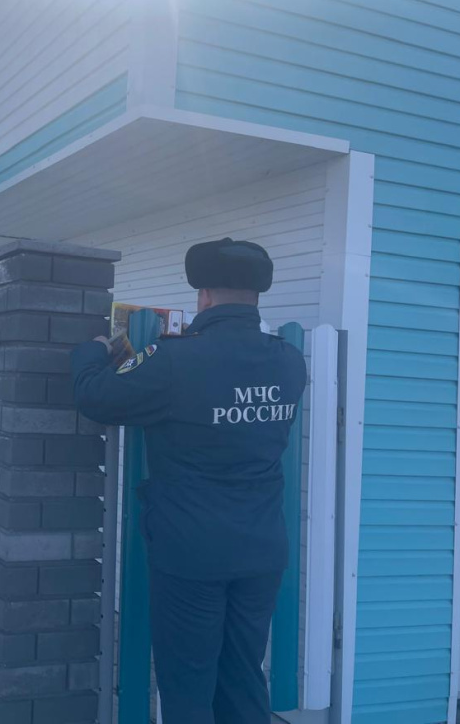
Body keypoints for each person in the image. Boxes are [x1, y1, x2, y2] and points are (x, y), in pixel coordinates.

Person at [71, 238, 307, 724]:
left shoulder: (175, 360)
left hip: (192, 551)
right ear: (256, 295)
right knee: (244, 679)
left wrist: (91, 353)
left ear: (204, 295)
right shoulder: (288, 360)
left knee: (188, 687)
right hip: (261, 550)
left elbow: (97, 397)